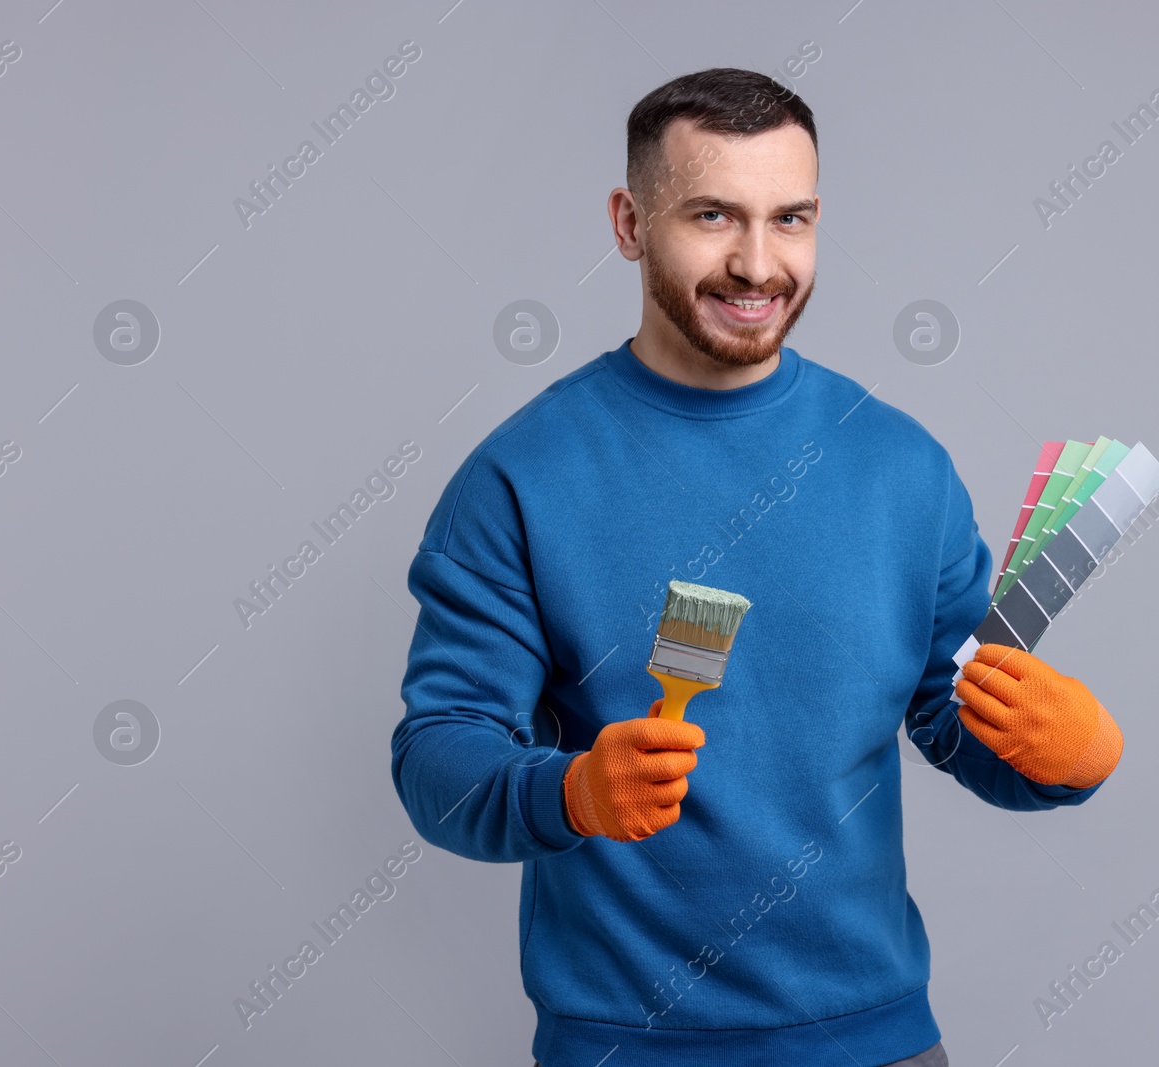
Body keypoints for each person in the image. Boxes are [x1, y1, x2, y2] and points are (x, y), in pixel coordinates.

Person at [390, 66, 1122, 1067]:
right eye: (711, 215)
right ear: (628, 222)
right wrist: (569, 792)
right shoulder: (521, 476)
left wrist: (1071, 756)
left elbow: (963, 723)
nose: (756, 262)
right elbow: (437, 756)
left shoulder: (902, 468)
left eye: (790, 218)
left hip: (880, 1044)